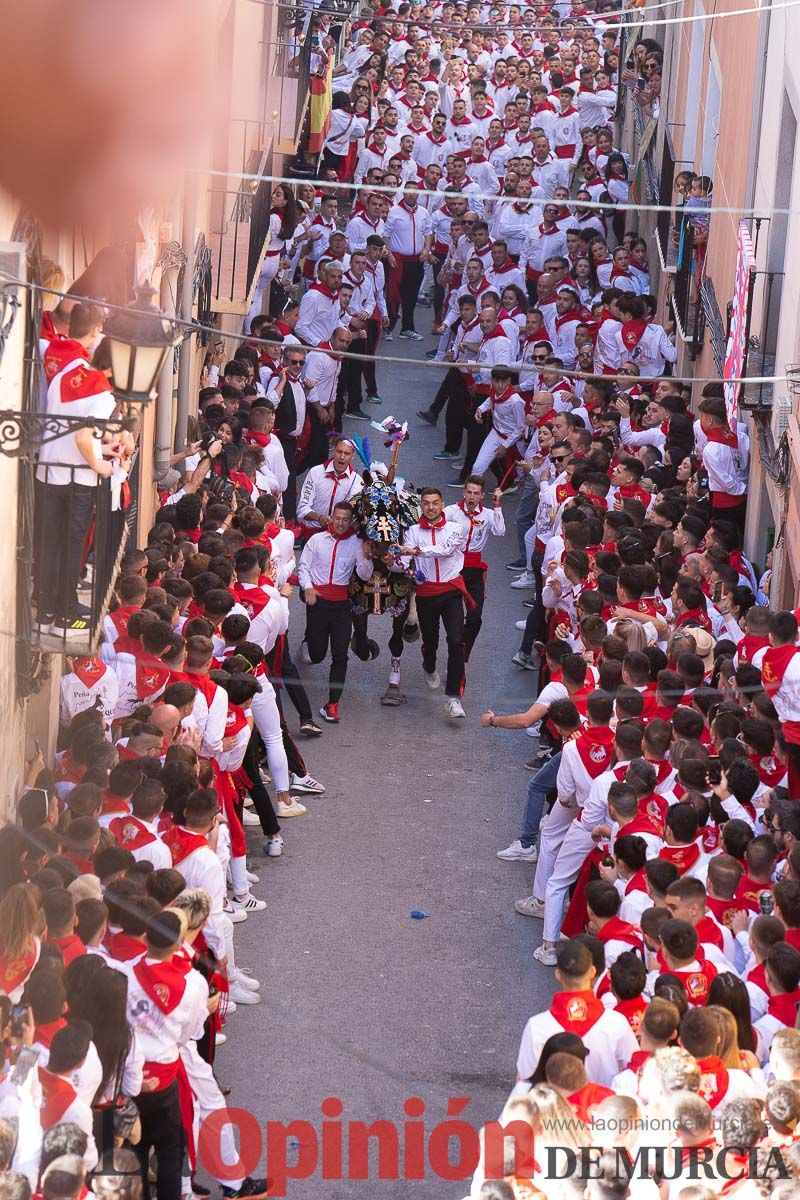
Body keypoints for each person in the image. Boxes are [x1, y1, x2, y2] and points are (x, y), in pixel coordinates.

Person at [35, 303, 117, 635]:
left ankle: (45, 610)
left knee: (48, 542)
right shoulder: (102, 392)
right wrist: (100, 465)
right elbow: (84, 438)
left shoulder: (67, 371)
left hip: (48, 471)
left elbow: (69, 429)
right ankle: (66, 612)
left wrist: (100, 447)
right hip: (77, 479)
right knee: (71, 546)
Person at [297, 502, 372, 723]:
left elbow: (365, 576)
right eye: (337, 518)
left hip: (341, 607)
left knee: (340, 655)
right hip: (318, 603)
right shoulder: (316, 540)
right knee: (317, 654)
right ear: (331, 517)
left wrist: (367, 556)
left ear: (351, 521)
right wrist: (308, 587)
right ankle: (308, 643)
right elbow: (303, 567)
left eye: (345, 519)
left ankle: (332, 704)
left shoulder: (357, 544)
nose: (340, 523)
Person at [397, 488, 470, 718]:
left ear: (442, 505)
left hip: (451, 591)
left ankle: (454, 698)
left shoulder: (456, 529)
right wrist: (391, 559)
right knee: (431, 641)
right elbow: (405, 560)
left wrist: (417, 550)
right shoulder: (412, 531)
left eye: (435, 503)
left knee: (456, 640)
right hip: (427, 593)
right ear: (421, 506)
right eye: (426, 503)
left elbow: (445, 551)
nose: (431, 507)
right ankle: (429, 665)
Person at [444, 475, 505, 660]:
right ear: (464, 492)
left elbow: (500, 531)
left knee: (475, 617)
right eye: (469, 492)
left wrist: (497, 505)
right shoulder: (451, 511)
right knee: (451, 616)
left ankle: (462, 654)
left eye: (476, 493)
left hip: (475, 569)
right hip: (453, 567)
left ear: (482, 496)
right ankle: (453, 648)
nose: (471, 497)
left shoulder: (487, 514)